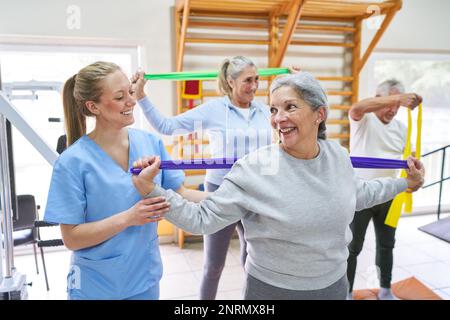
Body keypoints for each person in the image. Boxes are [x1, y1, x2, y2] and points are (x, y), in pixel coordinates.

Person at [130, 72, 425, 300]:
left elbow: (360, 194)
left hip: (334, 286)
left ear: (319, 114)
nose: (278, 119)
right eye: (273, 109)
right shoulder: (254, 167)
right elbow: (202, 219)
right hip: (271, 290)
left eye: (290, 107)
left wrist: (404, 184)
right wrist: (152, 190)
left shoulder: (337, 155)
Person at [131, 56, 294, 300]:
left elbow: (293, 117)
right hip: (221, 190)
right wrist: (141, 96)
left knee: (254, 260)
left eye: (257, 79)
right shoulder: (214, 110)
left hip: (259, 190)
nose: (254, 86)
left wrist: (294, 81)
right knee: (214, 265)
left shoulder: (263, 109)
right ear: (231, 81)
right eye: (248, 80)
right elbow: (167, 126)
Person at [44, 61, 205, 300]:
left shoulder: (151, 143)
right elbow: (72, 237)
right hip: (96, 286)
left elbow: (180, 191)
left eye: (130, 93)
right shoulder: (72, 162)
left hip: (144, 279)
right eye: (120, 97)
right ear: (93, 106)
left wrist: (236, 199)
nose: (131, 101)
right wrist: (130, 218)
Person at [346, 79, 423, 300]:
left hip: (389, 196)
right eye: (390, 103)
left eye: (398, 106)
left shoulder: (401, 128)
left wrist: (414, 178)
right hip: (360, 196)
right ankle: (346, 293)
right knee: (352, 248)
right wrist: (399, 98)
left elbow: (410, 158)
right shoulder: (364, 120)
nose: (393, 109)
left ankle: (385, 289)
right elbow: (356, 108)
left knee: (387, 245)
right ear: (378, 99)